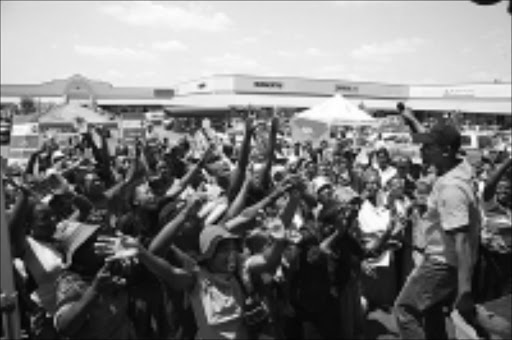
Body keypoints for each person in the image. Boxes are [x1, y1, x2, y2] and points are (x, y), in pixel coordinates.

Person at [394, 106, 482, 339]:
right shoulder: (456, 167)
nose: (421, 149)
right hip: (445, 261)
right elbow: (428, 138)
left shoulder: (451, 188)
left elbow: (461, 240)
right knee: (431, 313)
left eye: (427, 147)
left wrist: (465, 289)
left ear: (444, 151)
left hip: (442, 264)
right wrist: (412, 120)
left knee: (405, 310)